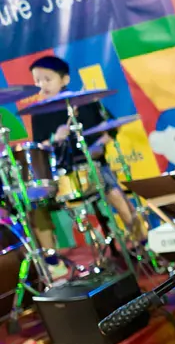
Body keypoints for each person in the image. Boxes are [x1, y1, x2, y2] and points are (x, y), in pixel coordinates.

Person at [27, 56, 144, 256]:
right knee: (35, 206)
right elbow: (41, 147)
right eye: (37, 81)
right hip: (60, 175)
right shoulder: (38, 112)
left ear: (64, 80)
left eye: (47, 79)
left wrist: (98, 146)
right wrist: (55, 138)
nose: (41, 85)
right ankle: (52, 259)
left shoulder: (86, 102)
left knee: (112, 189)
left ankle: (142, 242)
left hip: (92, 167)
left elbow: (110, 130)